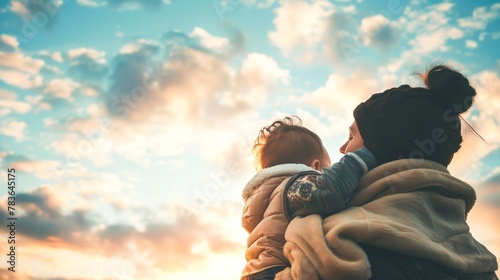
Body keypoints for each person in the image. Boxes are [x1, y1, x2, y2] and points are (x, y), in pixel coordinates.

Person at [276, 65, 499, 279]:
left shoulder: (335, 248)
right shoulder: (479, 262)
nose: (342, 149)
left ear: (376, 149)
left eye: (352, 137)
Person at [240, 116, 377, 280]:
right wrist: (357, 160)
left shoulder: (262, 195)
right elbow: (329, 193)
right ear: (316, 166)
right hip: (275, 272)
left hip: (254, 270)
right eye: (328, 168)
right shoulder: (293, 186)